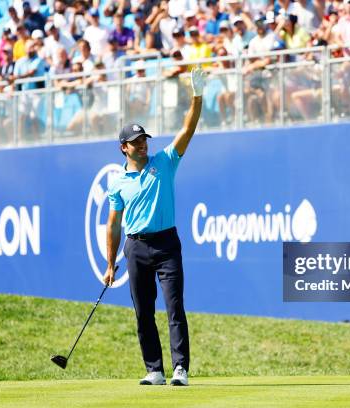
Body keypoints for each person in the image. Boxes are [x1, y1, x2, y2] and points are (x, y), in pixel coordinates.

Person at [103, 67, 206, 387]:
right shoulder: (117, 182)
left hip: (166, 244)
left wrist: (197, 96)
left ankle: (180, 369)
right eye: (135, 142)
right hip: (135, 247)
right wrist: (110, 263)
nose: (142, 145)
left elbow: (187, 129)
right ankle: (154, 370)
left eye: (144, 139)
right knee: (142, 312)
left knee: (175, 307)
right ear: (124, 147)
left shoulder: (164, 161)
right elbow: (113, 224)